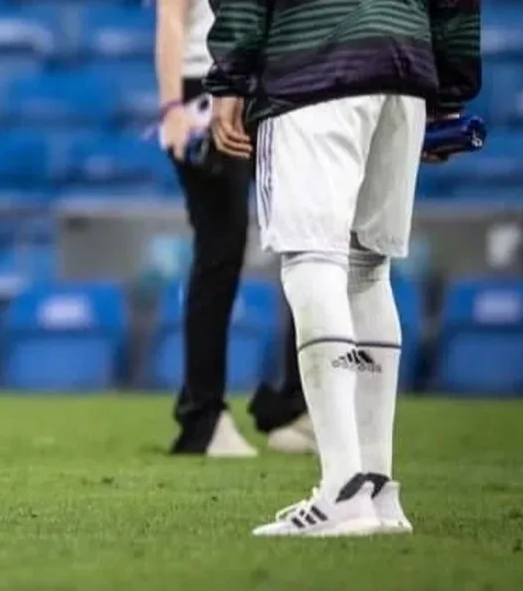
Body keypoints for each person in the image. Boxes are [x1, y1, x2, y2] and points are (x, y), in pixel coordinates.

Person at [206, 0, 481, 536]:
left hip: (312, 62)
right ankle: (377, 491)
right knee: (367, 269)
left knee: (314, 261)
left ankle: (343, 490)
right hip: (404, 64)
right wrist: (447, 87)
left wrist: (229, 78)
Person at [155, 0, 315, 457]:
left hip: (265, 79)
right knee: (220, 249)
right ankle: (203, 417)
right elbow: (172, 15)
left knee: (306, 236)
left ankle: (296, 405)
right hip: (206, 86)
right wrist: (172, 107)